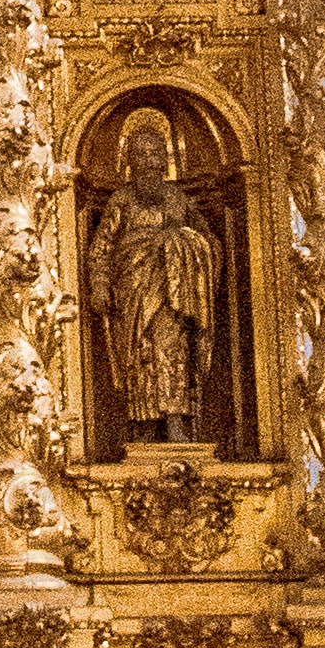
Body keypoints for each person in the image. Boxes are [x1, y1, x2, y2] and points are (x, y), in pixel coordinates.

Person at [86, 103, 225, 441]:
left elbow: (209, 243)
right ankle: (142, 425)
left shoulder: (179, 200)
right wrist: (100, 284)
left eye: (155, 154)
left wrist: (180, 244)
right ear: (130, 161)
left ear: (166, 160)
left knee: (173, 352)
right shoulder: (121, 200)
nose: (149, 161)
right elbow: (102, 247)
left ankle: (175, 421)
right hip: (131, 292)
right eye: (141, 154)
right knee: (139, 357)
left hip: (174, 295)